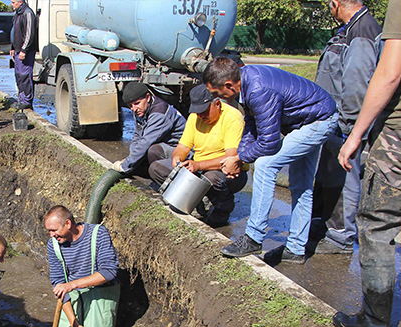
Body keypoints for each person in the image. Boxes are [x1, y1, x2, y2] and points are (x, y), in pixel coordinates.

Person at [202, 58, 338, 264]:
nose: (216, 98)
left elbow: (269, 143)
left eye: (216, 93)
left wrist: (239, 158)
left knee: (266, 164)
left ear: (228, 85)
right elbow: (251, 125)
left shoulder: (258, 90)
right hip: (307, 120)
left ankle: (254, 237)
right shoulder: (245, 83)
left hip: (319, 120)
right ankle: (296, 248)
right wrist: (237, 156)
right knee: (301, 183)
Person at [334, 0, 401, 327]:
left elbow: (388, 73)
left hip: (398, 134)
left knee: (377, 224)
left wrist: (356, 132)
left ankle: (375, 321)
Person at [309, 0, 382, 255]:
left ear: (335, 4)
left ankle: (341, 236)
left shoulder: (361, 32)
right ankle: (322, 223)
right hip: (333, 118)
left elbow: (356, 84)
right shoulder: (349, 29)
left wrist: (350, 126)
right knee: (328, 173)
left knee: (346, 175)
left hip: (346, 122)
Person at [148, 84, 247, 227]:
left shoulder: (233, 118)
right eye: (198, 112)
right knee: (156, 168)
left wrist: (198, 165)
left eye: (205, 112)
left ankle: (223, 208)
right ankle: (197, 202)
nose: (201, 116)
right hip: (199, 167)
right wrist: (177, 158)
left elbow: (230, 158)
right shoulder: (195, 117)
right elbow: (183, 146)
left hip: (226, 172)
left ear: (217, 104)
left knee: (211, 178)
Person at [44, 205, 120, 327]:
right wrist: (74, 324)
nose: (51, 235)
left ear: (68, 223)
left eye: (54, 230)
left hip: (102, 291)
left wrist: (72, 284)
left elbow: (109, 271)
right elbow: (58, 283)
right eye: (48, 231)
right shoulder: (53, 245)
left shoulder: (98, 234)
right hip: (73, 294)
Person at [112, 82, 186, 176]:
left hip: (182, 152)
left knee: (152, 154)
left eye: (137, 103)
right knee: (143, 156)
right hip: (167, 145)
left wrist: (125, 166)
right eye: (130, 106)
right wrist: (132, 158)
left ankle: (168, 180)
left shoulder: (159, 114)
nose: (134, 109)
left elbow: (145, 142)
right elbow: (138, 135)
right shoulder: (142, 109)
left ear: (148, 97)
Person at [10, 0, 37, 110]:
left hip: (25, 51)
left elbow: (29, 33)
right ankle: (21, 99)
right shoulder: (18, 13)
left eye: (13, 2)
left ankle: (26, 100)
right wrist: (12, 47)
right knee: (18, 75)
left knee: (25, 75)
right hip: (17, 50)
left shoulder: (28, 13)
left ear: (20, 2)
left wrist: (24, 50)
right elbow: (14, 31)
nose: (11, 4)